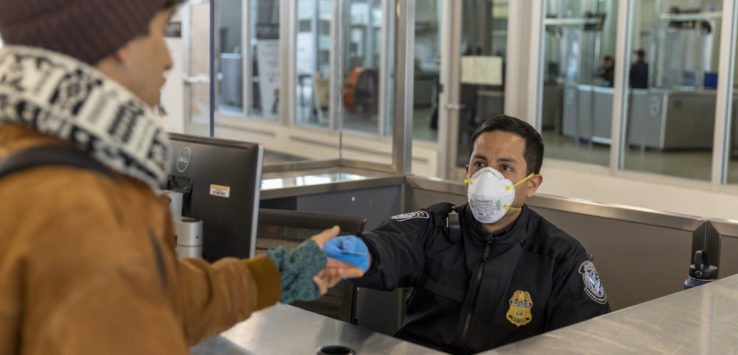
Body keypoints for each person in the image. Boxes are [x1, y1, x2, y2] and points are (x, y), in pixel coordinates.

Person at [0, 0, 362, 354]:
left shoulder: (36, 161)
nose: (170, 59)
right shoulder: (82, 210)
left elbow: (158, 298)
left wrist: (277, 275)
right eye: (161, 31)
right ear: (124, 42)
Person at [325, 115, 610, 354]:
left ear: (532, 184)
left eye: (505, 167)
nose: (488, 177)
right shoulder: (437, 226)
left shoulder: (559, 257)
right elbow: (393, 244)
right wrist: (364, 253)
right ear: (468, 171)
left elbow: (587, 341)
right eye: (480, 164)